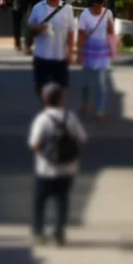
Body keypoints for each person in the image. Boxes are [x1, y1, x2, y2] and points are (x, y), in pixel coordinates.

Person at [28, 83, 87, 246]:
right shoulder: (70, 117)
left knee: (40, 201)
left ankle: (39, 232)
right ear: (62, 98)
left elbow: (34, 143)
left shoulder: (42, 119)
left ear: (44, 99)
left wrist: (47, 155)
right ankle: (59, 233)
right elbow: (82, 138)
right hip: (68, 168)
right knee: (62, 201)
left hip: (45, 170)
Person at [27, 0, 76, 97]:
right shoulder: (38, 7)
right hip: (42, 55)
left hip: (60, 56)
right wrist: (39, 27)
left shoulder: (68, 9)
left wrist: (70, 53)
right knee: (41, 87)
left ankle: (57, 110)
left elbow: (71, 32)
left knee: (61, 87)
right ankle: (47, 107)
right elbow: (30, 26)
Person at [76, 0, 118, 120]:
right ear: (92, 3)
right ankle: (85, 104)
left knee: (102, 83)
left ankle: (100, 110)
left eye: (101, 2)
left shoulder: (107, 13)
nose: (100, 5)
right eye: (97, 3)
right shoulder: (85, 15)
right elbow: (81, 35)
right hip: (89, 50)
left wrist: (113, 47)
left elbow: (111, 31)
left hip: (103, 51)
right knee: (87, 82)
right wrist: (79, 53)